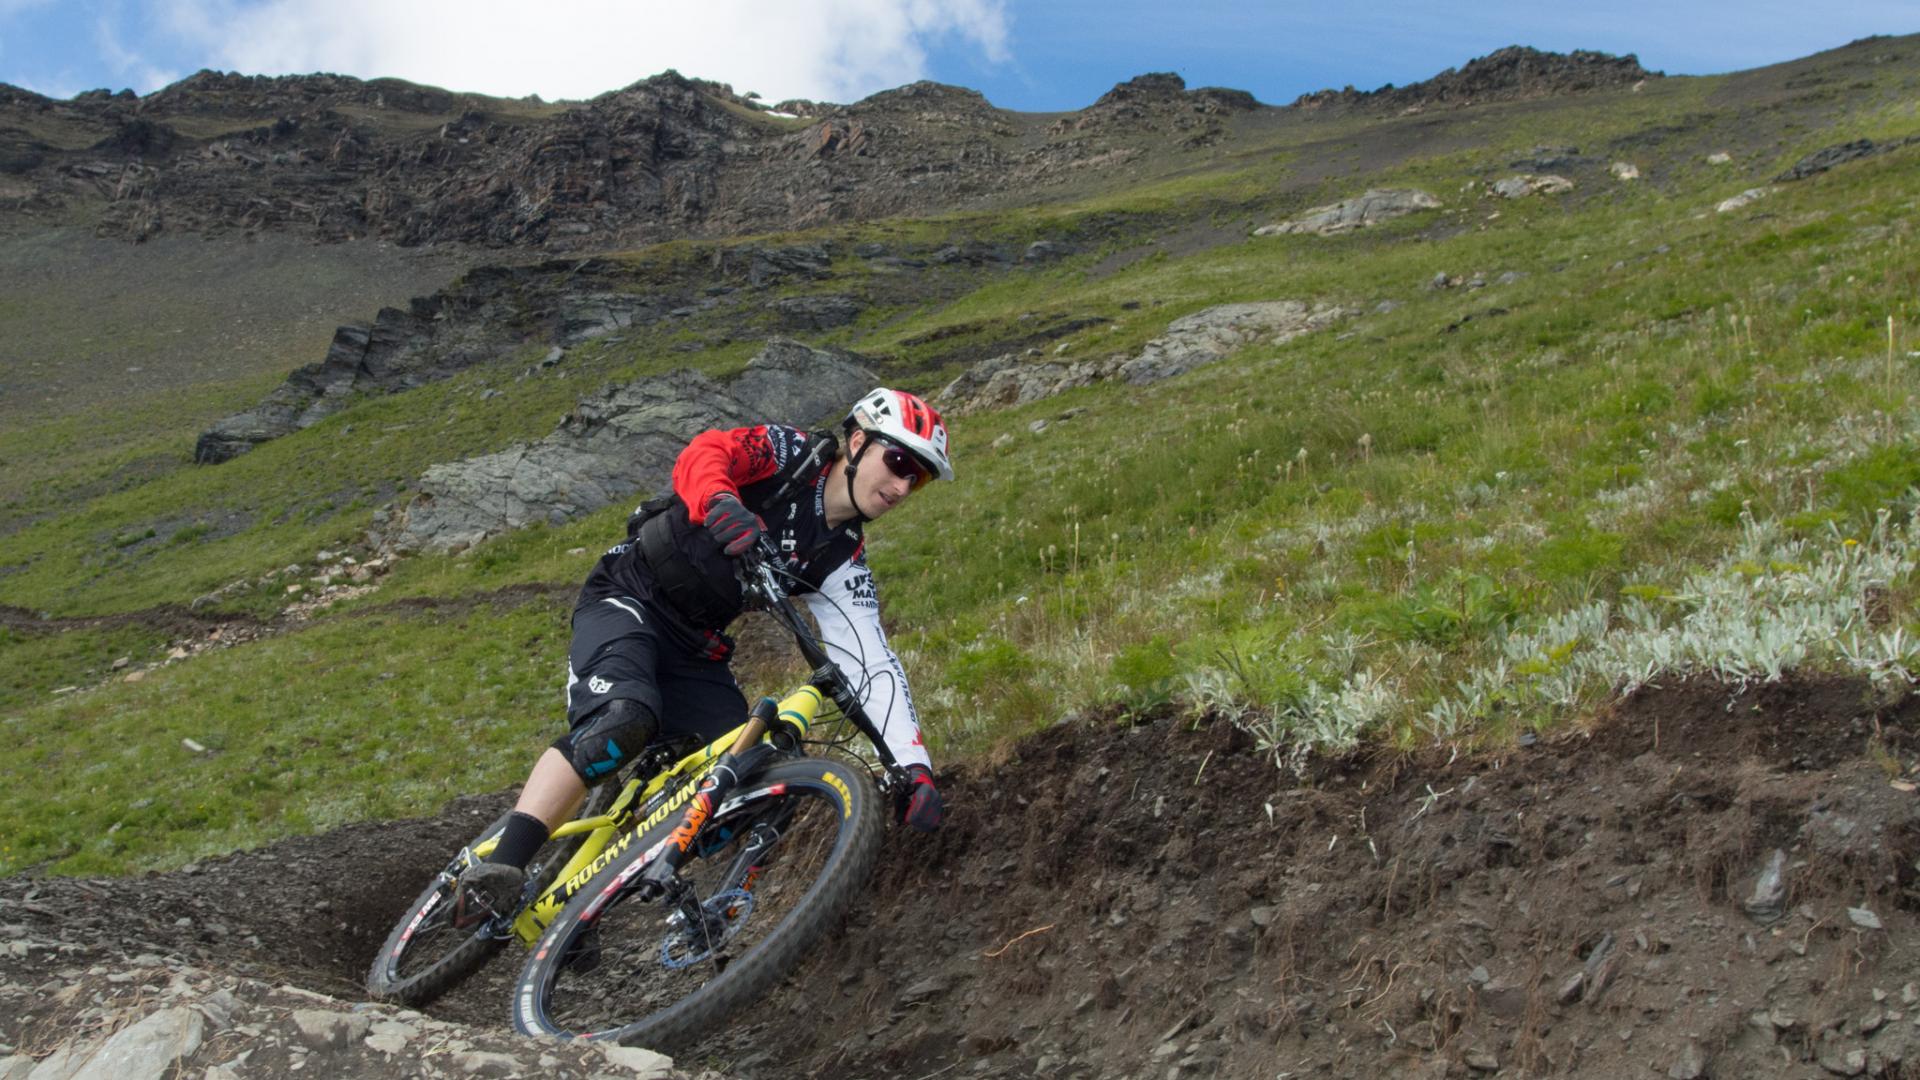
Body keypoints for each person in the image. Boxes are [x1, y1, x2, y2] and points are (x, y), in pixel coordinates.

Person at [454, 388, 951, 924]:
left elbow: (869, 660)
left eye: (919, 478)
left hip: (696, 648)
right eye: (899, 463)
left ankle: (585, 908)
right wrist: (719, 501)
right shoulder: (790, 455)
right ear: (857, 442)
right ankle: (500, 871)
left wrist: (913, 767)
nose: (903, 486)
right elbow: (707, 452)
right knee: (622, 722)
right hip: (629, 595)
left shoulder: (843, 559)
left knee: (745, 781)